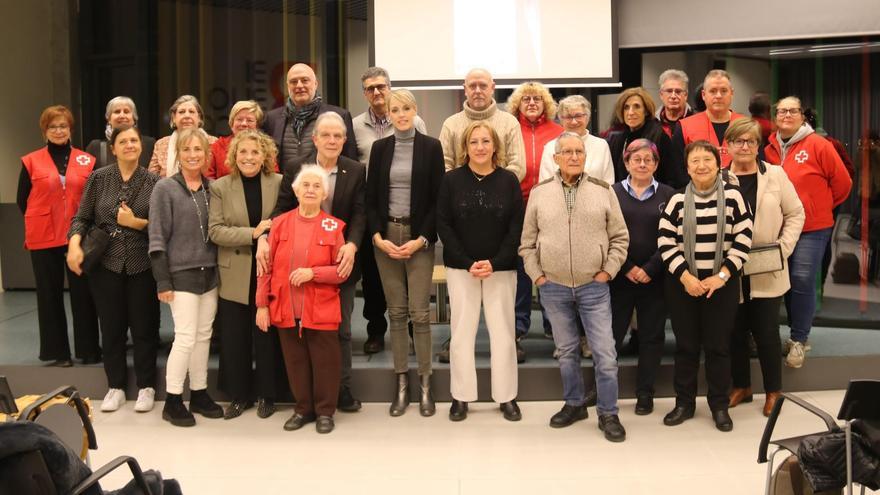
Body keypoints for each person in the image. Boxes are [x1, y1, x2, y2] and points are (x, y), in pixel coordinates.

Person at [520, 132, 630, 442]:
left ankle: (608, 412)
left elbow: (620, 238)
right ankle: (574, 403)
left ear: (585, 156)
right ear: (555, 158)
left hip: (593, 286)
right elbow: (527, 243)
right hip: (552, 286)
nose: (573, 156)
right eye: (566, 152)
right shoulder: (540, 193)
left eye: (578, 151)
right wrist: (538, 276)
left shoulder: (602, 190)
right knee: (566, 351)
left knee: (605, 353)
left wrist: (607, 271)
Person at [259, 111, 366, 413]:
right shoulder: (296, 167)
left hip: (338, 263)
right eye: (326, 135)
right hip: (297, 266)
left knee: (339, 332)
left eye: (338, 136)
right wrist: (264, 238)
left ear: (345, 141)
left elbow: (360, 213)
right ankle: (304, 399)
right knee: (296, 332)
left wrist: (352, 245)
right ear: (315, 138)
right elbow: (281, 209)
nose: (332, 140)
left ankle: (340, 391)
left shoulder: (355, 170)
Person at [658, 140, 753, 432]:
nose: (701, 166)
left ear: (717, 164)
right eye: (694, 161)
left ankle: (719, 405)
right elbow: (665, 242)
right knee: (686, 347)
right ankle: (684, 403)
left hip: (720, 285)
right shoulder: (675, 200)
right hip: (683, 285)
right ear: (687, 168)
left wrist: (721, 276)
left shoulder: (735, 198)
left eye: (707, 160)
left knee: (718, 347)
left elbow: (743, 240)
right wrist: (686, 277)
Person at [67, 125, 159, 413]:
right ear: (113, 148)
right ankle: (115, 386)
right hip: (105, 263)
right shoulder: (98, 179)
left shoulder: (156, 182)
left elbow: (163, 227)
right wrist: (74, 245)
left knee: (144, 328)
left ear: (141, 147)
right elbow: (81, 218)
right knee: (111, 327)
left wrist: (136, 223)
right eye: (123, 141)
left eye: (134, 140)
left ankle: (146, 386)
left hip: (141, 263)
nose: (129, 145)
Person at [436, 121, 523, 423]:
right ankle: (461, 397)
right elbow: (443, 224)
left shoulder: (509, 181)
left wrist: (495, 262)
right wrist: (467, 260)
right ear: (465, 147)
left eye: (486, 141)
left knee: (503, 334)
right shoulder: (451, 181)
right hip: (462, 268)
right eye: (474, 142)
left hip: (500, 268)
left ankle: (507, 396)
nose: (480, 147)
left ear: (495, 146)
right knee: (461, 334)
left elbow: (516, 227)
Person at [366, 89, 444, 417]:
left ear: (415, 111)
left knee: (420, 314)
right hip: (387, 237)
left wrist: (423, 238)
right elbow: (370, 198)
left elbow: (439, 198)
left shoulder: (431, 146)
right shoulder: (380, 148)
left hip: (418, 238)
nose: (400, 114)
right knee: (395, 313)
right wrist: (377, 237)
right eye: (395, 109)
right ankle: (401, 386)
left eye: (406, 109)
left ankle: (425, 386)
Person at [256, 165, 348, 434]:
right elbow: (266, 268)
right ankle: (303, 408)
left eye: (316, 186)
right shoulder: (280, 223)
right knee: (295, 362)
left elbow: (341, 272)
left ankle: (325, 412)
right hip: (285, 307)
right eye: (305, 185)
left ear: (324, 194)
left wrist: (313, 273)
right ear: (295, 191)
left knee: (325, 362)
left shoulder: (333, 227)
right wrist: (262, 304)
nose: (310, 190)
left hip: (320, 308)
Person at [764, 96, 852, 368]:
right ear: (775, 116)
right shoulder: (767, 147)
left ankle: (799, 340)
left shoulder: (819, 145)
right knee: (780, 283)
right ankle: (779, 334)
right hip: (777, 228)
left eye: (793, 111)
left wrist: (819, 206)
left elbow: (843, 184)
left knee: (802, 279)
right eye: (782, 111)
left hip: (812, 227)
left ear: (802, 115)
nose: (787, 115)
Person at [725, 119, 804, 417]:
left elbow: (796, 213)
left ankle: (773, 391)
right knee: (734, 331)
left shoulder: (776, 175)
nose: (744, 146)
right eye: (738, 141)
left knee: (767, 333)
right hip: (730, 268)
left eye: (751, 141)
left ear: (758, 146)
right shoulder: (720, 179)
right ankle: (742, 387)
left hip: (768, 266)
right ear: (728, 146)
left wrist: (783, 249)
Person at [208, 129, 285, 420]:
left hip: (269, 270)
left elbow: (285, 221)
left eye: (255, 152)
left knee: (266, 336)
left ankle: (268, 394)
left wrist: (267, 237)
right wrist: (253, 233)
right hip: (235, 272)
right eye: (243, 152)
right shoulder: (221, 187)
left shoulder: (278, 182)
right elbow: (215, 230)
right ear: (233, 156)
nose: (249, 157)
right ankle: (239, 396)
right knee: (235, 337)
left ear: (265, 155)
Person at [149, 128, 224, 427]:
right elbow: (156, 238)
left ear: (207, 155)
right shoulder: (165, 188)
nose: (194, 155)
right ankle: (172, 399)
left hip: (211, 275)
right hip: (180, 275)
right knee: (185, 337)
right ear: (178, 154)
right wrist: (162, 281)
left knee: (204, 336)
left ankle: (200, 392)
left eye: (199, 150)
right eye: (187, 149)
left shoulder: (213, 188)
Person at [351, 66, 428, 354]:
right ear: (365, 94)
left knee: (408, 278)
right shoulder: (356, 124)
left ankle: (411, 332)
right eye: (370, 88)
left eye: (381, 86)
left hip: (407, 206)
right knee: (373, 277)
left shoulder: (414, 121)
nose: (377, 92)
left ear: (389, 87)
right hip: (375, 208)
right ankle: (375, 331)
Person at [18, 105, 99, 368]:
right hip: (43, 237)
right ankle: (58, 352)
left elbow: (93, 198)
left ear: (70, 129)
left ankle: (88, 350)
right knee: (48, 294)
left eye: (63, 125)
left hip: (79, 236)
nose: (58, 130)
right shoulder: (30, 161)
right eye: (53, 126)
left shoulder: (87, 160)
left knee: (83, 294)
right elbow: (23, 200)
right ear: (45, 131)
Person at [610, 139, 675, 416]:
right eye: (636, 159)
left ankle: (645, 393)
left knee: (651, 337)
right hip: (620, 276)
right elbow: (605, 234)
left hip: (655, 277)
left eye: (648, 159)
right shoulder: (611, 193)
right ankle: (604, 391)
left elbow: (674, 236)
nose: (642, 164)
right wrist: (627, 266)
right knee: (610, 337)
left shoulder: (669, 195)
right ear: (626, 163)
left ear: (656, 164)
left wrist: (650, 268)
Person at [506, 81, 562, 362]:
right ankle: (518, 327)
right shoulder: (509, 129)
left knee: (550, 267)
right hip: (517, 207)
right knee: (521, 270)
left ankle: (555, 327)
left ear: (546, 104)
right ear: (517, 103)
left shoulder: (558, 132)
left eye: (537, 99)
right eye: (525, 98)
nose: (531, 103)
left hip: (550, 208)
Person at [263, 63, 358, 169]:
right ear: (288, 86)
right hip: (284, 184)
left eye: (305, 80)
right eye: (294, 82)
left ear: (316, 84)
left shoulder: (340, 116)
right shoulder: (272, 119)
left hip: (325, 184)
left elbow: (351, 164)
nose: (299, 85)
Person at [439, 68, 525, 180]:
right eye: (472, 86)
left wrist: (491, 188)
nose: (478, 91)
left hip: (501, 195)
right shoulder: (450, 125)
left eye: (483, 86)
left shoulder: (510, 123)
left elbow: (518, 166)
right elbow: (443, 165)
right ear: (465, 89)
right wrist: (463, 188)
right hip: (460, 195)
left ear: (492, 88)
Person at [607, 87, 683, 187]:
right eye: (626, 107)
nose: (630, 112)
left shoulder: (660, 136)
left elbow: (671, 177)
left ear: (646, 111)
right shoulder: (617, 140)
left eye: (637, 106)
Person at [672, 70, 745, 170]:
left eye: (724, 91)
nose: (718, 96)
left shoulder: (746, 126)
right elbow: (678, 171)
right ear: (703, 95)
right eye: (713, 91)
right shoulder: (684, 127)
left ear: (731, 93)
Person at [539, 95, 613, 185]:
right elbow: (545, 186)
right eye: (568, 117)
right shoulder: (550, 147)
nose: (574, 122)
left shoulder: (601, 145)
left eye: (578, 116)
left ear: (587, 117)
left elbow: (608, 183)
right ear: (561, 120)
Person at [148, 95, 217, 177]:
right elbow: (151, 180)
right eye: (181, 112)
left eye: (191, 112)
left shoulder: (214, 143)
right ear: (173, 118)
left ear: (199, 118)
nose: (187, 116)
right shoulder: (161, 144)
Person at [207, 100, 276, 179]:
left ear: (257, 126)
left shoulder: (266, 148)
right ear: (232, 123)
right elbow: (208, 180)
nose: (244, 124)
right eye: (239, 119)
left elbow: (272, 178)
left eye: (249, 120)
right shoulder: (217, 146)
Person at [85, 96, 156, 169]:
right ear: (109, 119)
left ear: (134, 118)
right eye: (117, 112)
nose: (122, 116)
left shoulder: (149, 144)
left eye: (126, 111)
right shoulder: (95, 147)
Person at [656, 69, 695, 138]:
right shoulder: (653, 122)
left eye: (678, 91)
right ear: (661, 95)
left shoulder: (697, 121)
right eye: (669, 91)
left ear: (686, 95)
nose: (673, 96)